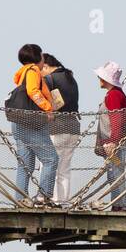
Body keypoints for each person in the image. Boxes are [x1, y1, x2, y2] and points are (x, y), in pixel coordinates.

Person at [9, 43, 58, 204]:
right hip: (31, 123)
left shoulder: (22, 73)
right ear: (37, 57)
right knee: (51, 159)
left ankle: (20, 199)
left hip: (19, 123)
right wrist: (48, 108)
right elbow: (32, 91)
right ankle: (43, 196)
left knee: (25, 164)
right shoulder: (33, 71)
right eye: (42, 55)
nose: (43, 58)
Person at [41, 53, 81, 202]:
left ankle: (46, 199)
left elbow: (51, 105)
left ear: (45, 66)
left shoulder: (49, 79)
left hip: (56, 128)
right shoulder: (71, 78)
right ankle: (62, 202)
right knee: (64, 170)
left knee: (48, 165)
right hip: (73, 127)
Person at [95, 61, 126, 211]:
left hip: (114, 143)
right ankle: (119, 204)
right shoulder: (115, 94)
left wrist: (113, 142)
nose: (99, 80)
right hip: (114, 142)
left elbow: (117, 119)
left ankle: (118, 205)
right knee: (115, 171)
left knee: (115, 172)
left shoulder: (114, 96)